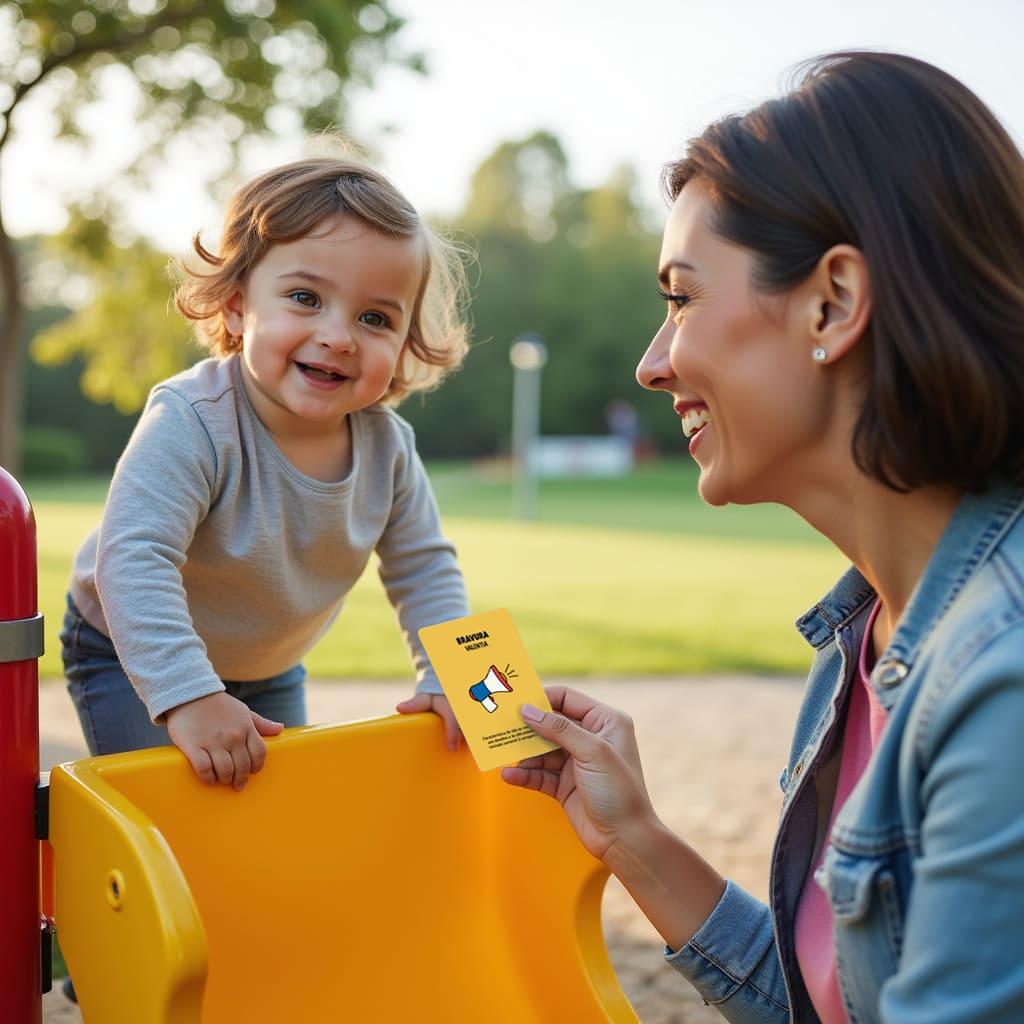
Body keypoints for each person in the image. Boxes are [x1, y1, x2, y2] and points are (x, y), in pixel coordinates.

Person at [503, 51, 1024, 1023]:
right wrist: (637, 841)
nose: (652, 364)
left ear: (832, 303)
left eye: (682, 297)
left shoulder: (1002, 675)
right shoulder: (865, 636)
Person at [61, 153, 472, 793]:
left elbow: (426, 568)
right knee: (171, 823)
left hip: (271, 665)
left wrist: (461, 682)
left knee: (273, 819)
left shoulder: (387, 446)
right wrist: (189, 696)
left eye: (375, 318)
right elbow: (133, 557)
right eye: (305, 298)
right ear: (233, 306)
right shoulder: (193, 420)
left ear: (404, 344)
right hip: (130, 650)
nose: (339, 336)